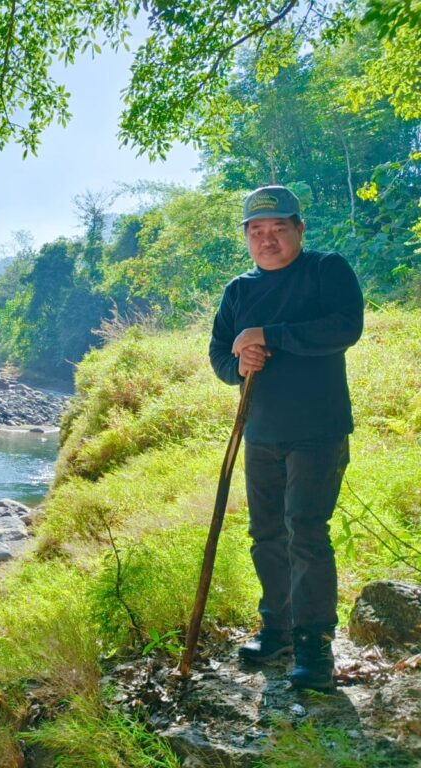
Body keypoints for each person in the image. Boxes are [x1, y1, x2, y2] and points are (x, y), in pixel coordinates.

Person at [209, 184, 364, 692]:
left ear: (299, 229)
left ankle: (315, 646)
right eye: (257, 231)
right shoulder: (238, 290)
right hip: (262, 433)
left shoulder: (326, 270)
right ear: (246, 237)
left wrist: (267, 335)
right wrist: (240, 363)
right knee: (267, 533)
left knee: (307, 531)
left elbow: (344, 327)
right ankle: (277, 627)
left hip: (318, 431)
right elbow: (220, 358)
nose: (267, 239)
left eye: (278, 228)